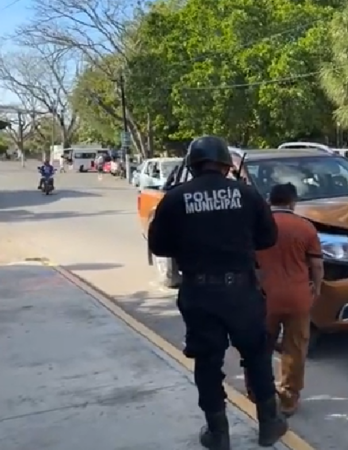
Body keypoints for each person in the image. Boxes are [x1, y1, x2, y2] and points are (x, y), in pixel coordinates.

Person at [147, 136, 287, 450]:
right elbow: (268, 238)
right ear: (226, 165)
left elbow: (158, 245)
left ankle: (218, 434)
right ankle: (269, 423)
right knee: (256, 355)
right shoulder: (247, 195)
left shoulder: (175, 198)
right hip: (241, 290)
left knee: (207, 362)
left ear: (192, 166)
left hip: (199, 291)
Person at [245, 182, 323, 417]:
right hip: (298, 297)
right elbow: (317, 265)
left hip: (263, 298)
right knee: (295, 349)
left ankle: (257, 392)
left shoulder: (257, 225)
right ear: (293, 202)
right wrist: (316, 289)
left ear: (270, 200)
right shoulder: (305, 227)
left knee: (259, 348)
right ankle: (289, 399)